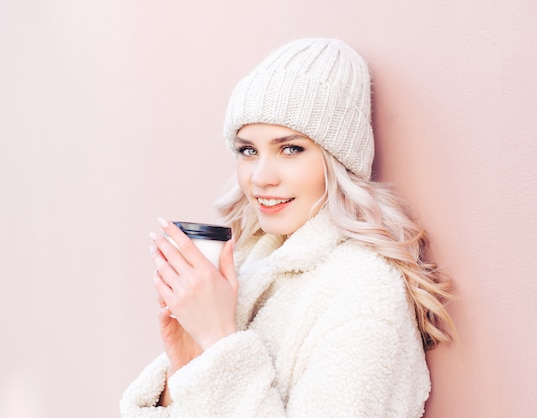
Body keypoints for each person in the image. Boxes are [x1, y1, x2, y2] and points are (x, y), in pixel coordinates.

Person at [120, 38, 454, 417]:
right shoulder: (251, 265)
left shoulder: (364, 291)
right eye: (248, 151)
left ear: (338, 161)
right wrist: (188, 360)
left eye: (290, 149)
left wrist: (218, 338)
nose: (260, 177)